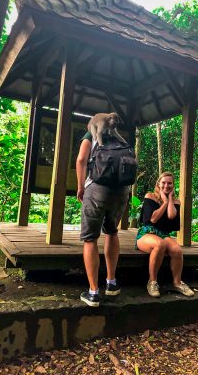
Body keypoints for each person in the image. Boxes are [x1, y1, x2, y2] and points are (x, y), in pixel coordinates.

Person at [76, 131, 130, 307]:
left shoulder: (91, 135)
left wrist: (80, 187)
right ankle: (111, 283)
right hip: (121, 191)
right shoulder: (121, 140)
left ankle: (93, 292)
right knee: (112, 232)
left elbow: (81, 160)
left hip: (97, 189)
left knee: (90, 238)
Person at [136, 171, 194, 298]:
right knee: (160, 245)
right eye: (163, 183)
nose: (166, 186)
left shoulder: (176, 202)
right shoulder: (150, 196)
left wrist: (169, 201)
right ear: (158, 184)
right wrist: (164, 202)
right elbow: (153, 219)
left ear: (173, 185)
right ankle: (152, 282)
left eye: (169, 183)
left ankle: (177, 283)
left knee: (177, 250)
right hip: (147, 232)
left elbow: (171, 216)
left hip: (163, 234)